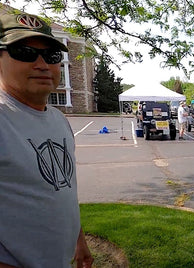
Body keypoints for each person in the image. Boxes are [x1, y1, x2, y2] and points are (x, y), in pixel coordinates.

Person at [0, 12, 93, 268]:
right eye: (25, 52)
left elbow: (63, 189)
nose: (42, 64)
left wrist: (79, 239)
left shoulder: (58, 119)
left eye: (51, 56)